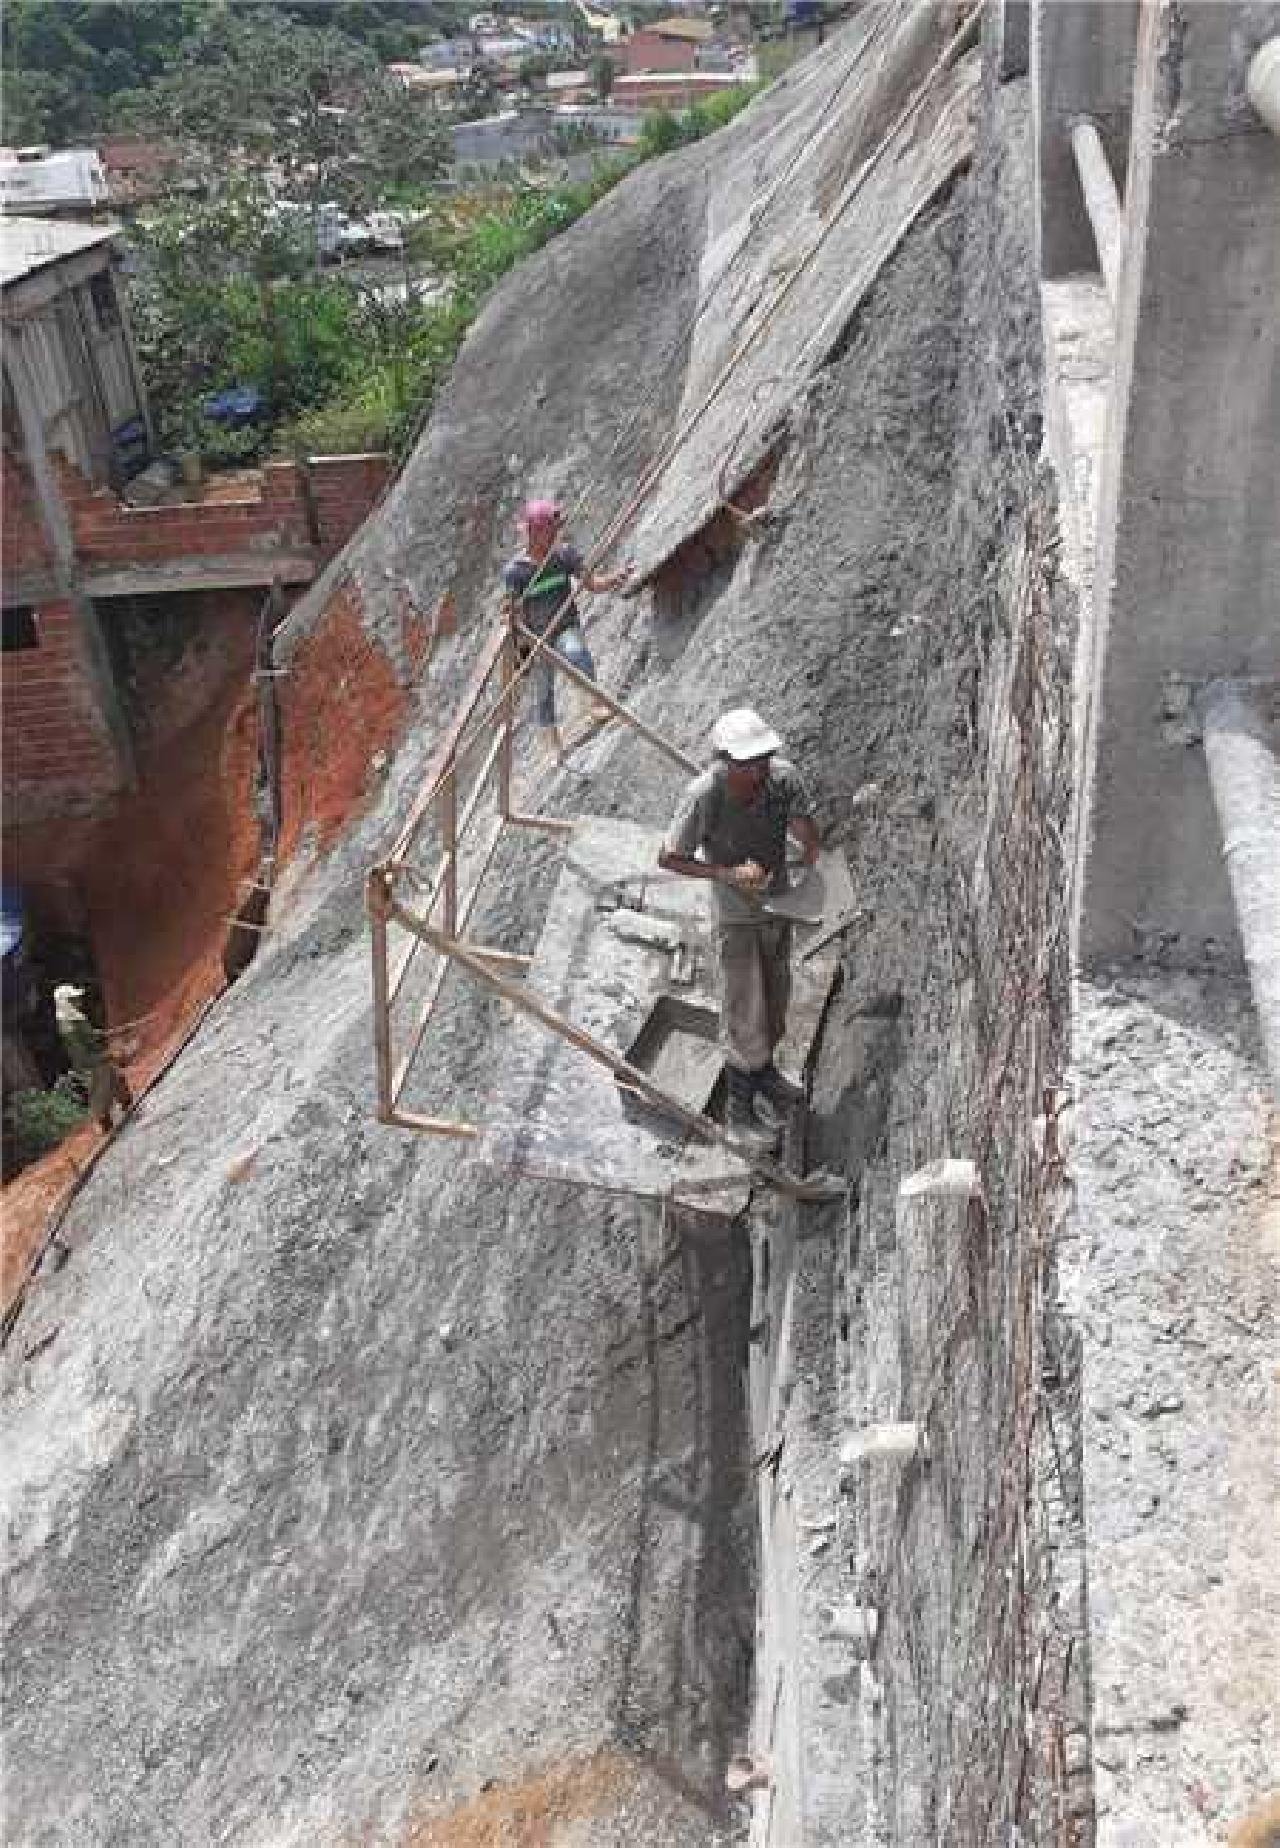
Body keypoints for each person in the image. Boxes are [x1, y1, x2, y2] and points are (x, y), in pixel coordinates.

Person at [658, 708, 820, 1152]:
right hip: (735, 918)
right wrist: (726, 874)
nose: (759, 769)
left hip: (775, 905)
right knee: (744, 1010)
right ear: (724, 760)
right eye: (749, 763)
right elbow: (669, 858)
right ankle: (739, 1114)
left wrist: (808, 851)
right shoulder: (705, 796)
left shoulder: (782, 779)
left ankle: (765, 1077)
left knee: (776, 999)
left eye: (764, 758)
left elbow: (805, 828)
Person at [502, 498, 630, 761]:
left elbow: (591, 583)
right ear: (533, 532)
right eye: (548, 529)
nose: (553, 535)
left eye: (554, 529)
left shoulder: (564, 556)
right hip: (537, 638)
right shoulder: (517, 572)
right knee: (544, 690)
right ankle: (550, 741)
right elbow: (514, 613)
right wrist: (522, 645)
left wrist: (614, 579)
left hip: (564, 626)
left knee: (577, 653)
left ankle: (594, 705)